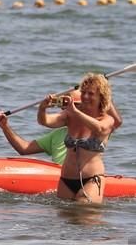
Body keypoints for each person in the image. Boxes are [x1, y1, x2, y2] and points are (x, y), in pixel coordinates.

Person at [37, 73, 116, 204]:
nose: (85, 96)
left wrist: (76, 112)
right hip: (66, 180)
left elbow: (100, 129)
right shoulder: (70, 116)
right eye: (83, 92)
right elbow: (45, 121)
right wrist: (42, 108)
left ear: (101, 97)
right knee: (64, 222)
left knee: (83, 214)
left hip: (91, 179)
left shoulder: (107, 119)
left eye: (90, 94)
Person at [0, 89, 121, 165]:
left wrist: (102, 95)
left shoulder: (97, 129)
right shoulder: (57, 134)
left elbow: (116, 122)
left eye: (74, 106)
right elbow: (24, 149)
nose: (68, 110)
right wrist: (5, 127)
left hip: (86, 178)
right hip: (61, 179)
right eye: (66, 106)